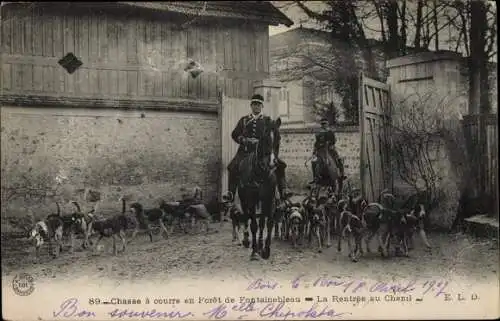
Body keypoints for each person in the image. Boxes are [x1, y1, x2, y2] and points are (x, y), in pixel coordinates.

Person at [227, 94, 288, 201]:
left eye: (259, 104)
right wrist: (244, 140)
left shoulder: (267, 120)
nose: (256, 107)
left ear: (262, 106)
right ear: (251, 106)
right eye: (254, 104)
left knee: (280, 165)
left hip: (263, 153)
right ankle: (230, 194)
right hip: (245, 152)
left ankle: (284, 190)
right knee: (232, 167)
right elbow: (234, 134)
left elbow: (274, 135)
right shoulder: (244, 120)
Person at [309, 117, 346, 185]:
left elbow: (334, 141)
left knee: (339, 159)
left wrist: (330, 144)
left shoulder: (330, 132)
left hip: (330, 150)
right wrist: (314, 151)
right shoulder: (319, 134)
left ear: (327, 124)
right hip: (321, 151)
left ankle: (342, 174)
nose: (323, 125)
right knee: (313, 162)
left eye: (325, 124)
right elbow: (316, 143)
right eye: (322, 124)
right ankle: (315, 177)